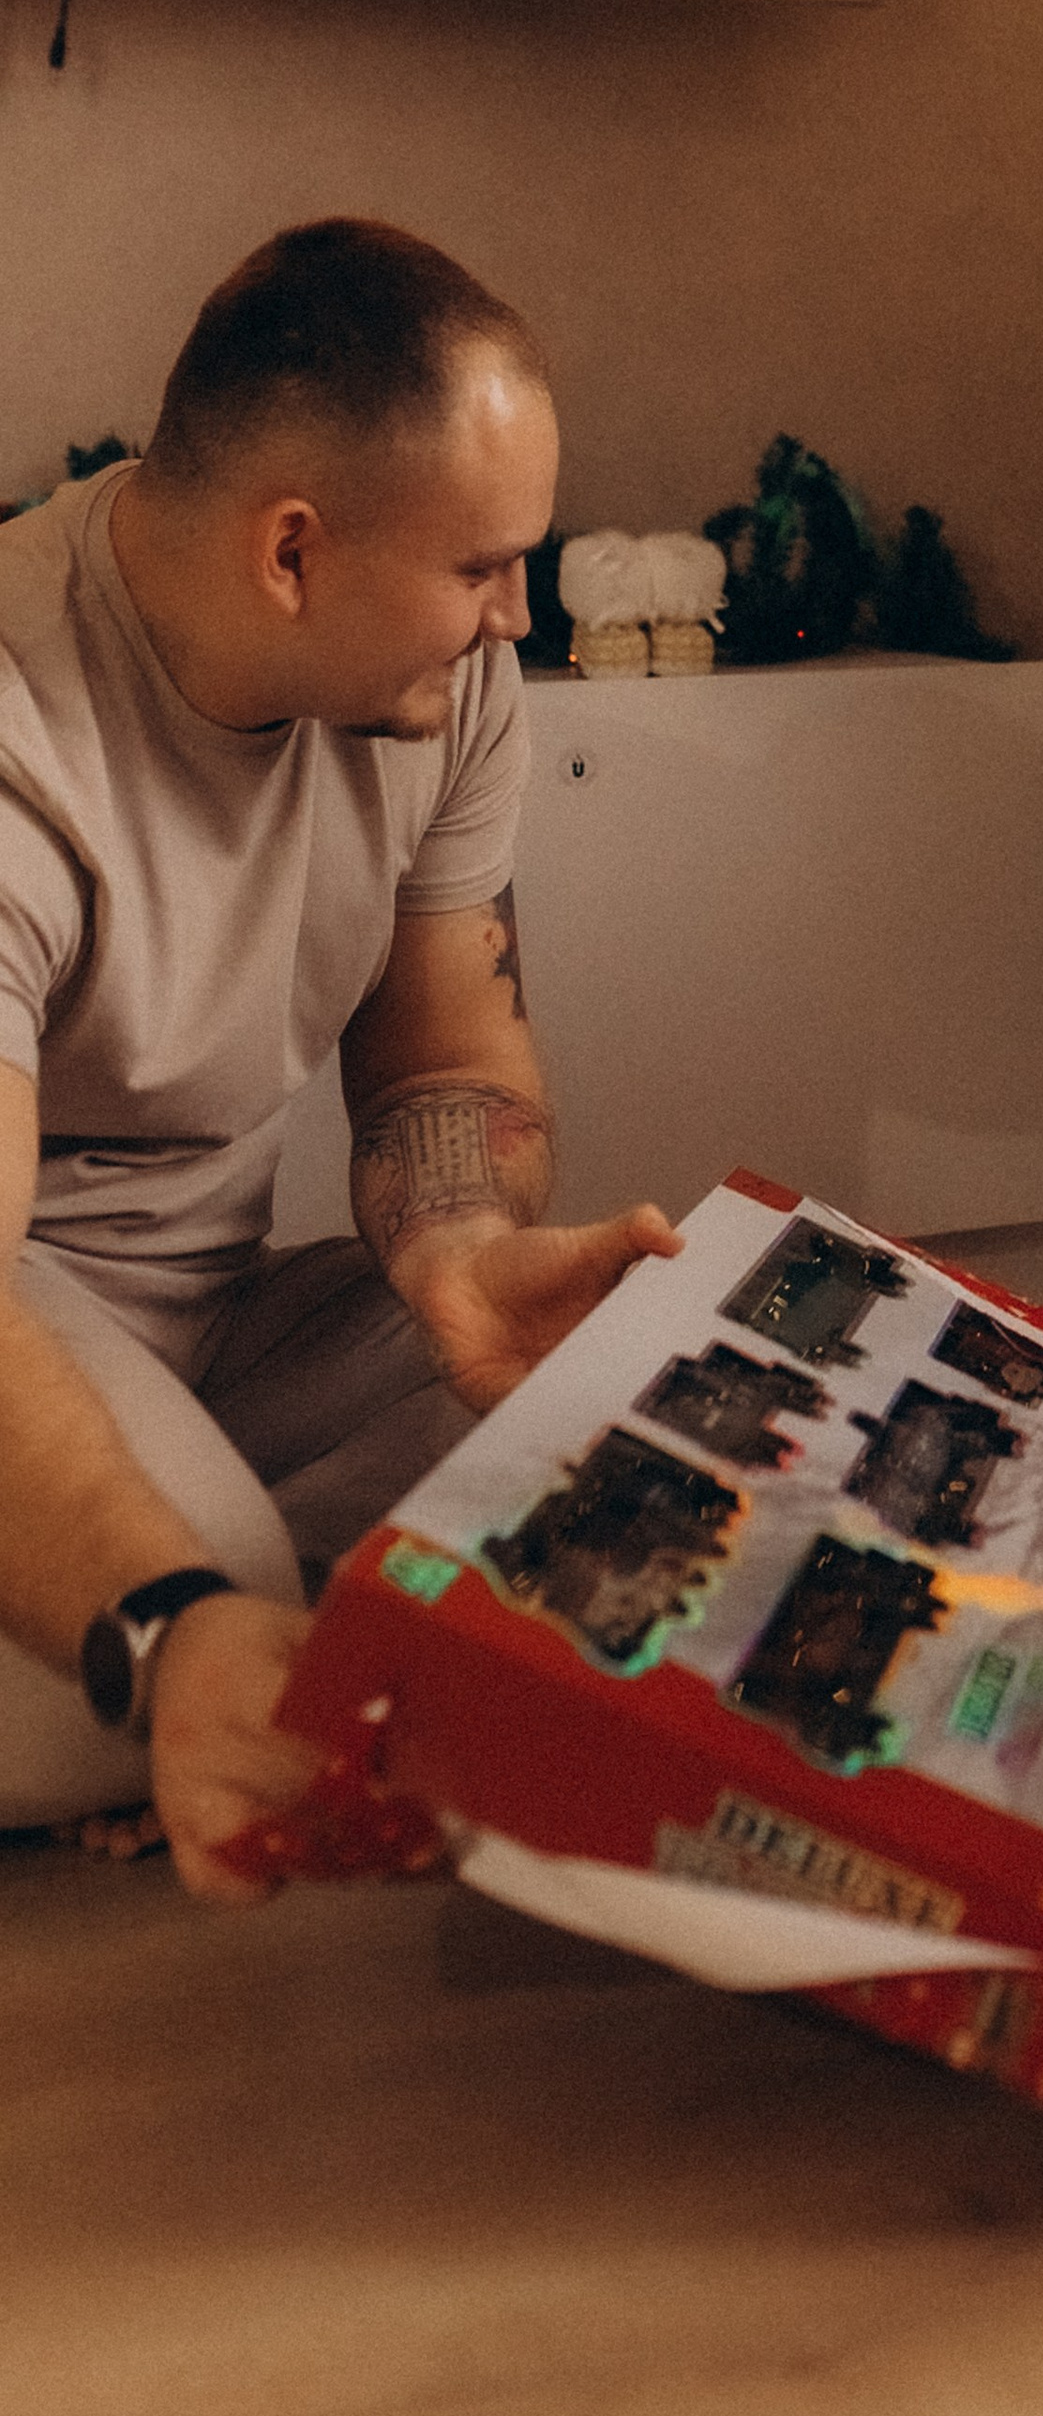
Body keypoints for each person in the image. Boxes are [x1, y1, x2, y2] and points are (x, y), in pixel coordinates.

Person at [0, 219, 679, 1900]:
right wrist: (168, 1613)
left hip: (218, 1329)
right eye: (481, 569)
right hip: (28, 1297)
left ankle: (208, 1669)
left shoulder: (441, 692)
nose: (513, 616)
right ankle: (186, 1661)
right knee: (213, 1604)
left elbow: (449, 1041)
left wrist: (456, 1253)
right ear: (292, 551)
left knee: (643, 1407)